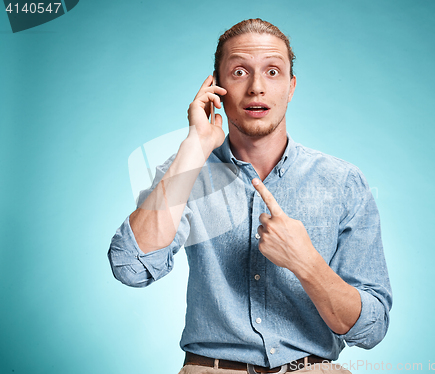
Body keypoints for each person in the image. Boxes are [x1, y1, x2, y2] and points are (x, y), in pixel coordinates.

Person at [108, 18, 392, 374]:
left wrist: (307, 263)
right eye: (240, 71)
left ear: (291, 87)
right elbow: (130, 267)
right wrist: (194, 148)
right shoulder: (187, 169)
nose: (257, 87)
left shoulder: (343, 182)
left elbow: (372, 328)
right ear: (216, 86)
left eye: (272, 72)